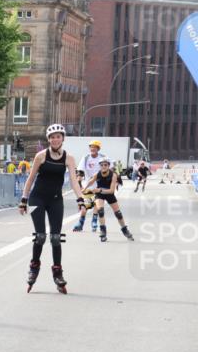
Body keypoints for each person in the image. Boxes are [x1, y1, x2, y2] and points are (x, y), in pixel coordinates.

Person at [18, 124, 85, 294]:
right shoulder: (41, 156)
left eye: (58, 136)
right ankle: (34, 268)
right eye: (52, 137)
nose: (55, 139)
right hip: (36, 199)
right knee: (40, 236)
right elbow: (31, 179)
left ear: (63, 138)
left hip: (55, 199)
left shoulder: (68, 158)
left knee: (55, 237)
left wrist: (81, 200)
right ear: (48, 139)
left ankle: (58, 273)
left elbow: (73, 180)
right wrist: (24, 199)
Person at [84, 157, 134, 242]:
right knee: (100, 211)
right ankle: (103, 231)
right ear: (100, 166)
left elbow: (111, 191)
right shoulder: (97, 174)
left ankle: (125, 230)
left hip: (109, 194)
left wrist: (100, 189)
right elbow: (91, 181)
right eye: (102, 165)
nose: (103, 166)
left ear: (108, 166)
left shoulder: (113, 175)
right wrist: (85, 188)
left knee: (118, 214)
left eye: (105, 165)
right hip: (100, 195)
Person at [73, 140, 103, 232]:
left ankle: (94, 222)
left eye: (95, 147)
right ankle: (80, 223)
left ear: (98, 149)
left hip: (98, 186)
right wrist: (79, 184)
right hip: (87, 186)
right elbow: (80, 172)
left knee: (97, 205)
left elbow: (108, 170)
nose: (92, 148)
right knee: (84, 207)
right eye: (91, 147)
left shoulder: (102, 158)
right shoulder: (86, 158)